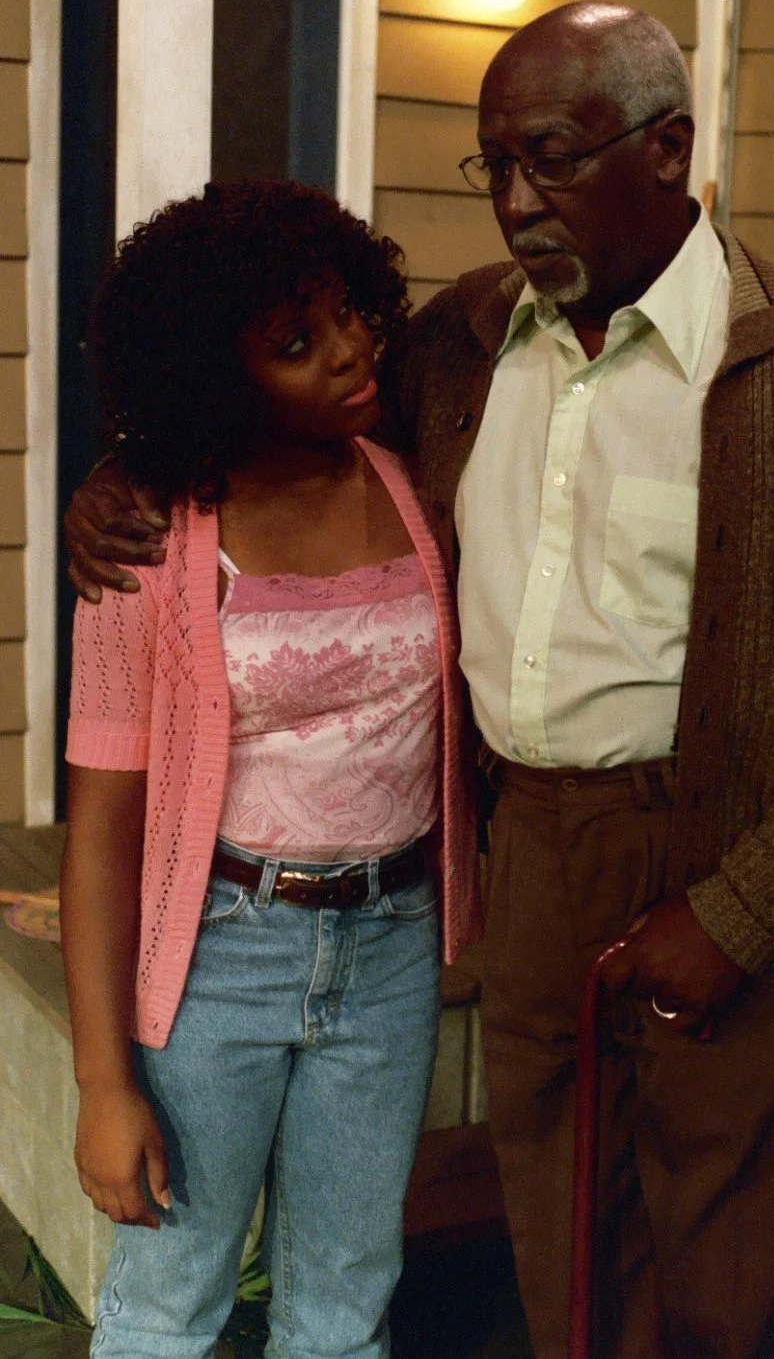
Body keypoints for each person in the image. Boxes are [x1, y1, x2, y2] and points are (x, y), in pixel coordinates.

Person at [66, 5, 774, 1359]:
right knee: (568, 1242)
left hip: (737, 853)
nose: (512, 202)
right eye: (489, 165)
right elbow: (246, 402)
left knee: (737, 1261)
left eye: (546, 157)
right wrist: (129, 469)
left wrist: (745, 908)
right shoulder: (466, 344)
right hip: (525, 852)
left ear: (670, 150)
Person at [60, 179, 480, 1359]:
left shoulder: (411, 479)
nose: (348, 353)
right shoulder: (150, 536)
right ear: (215, 375)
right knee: (168, 1299)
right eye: (294, 345)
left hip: (391, 945)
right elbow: (101, 834)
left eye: (348, 312)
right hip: (218, 954)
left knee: (345, 1303)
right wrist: (105, 1086)